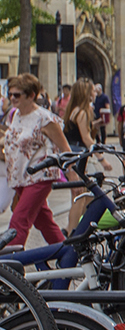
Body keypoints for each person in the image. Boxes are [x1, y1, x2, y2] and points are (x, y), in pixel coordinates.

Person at [4, 74, 72, 248]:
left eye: (17, 95)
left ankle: (11, 267)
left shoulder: (45, 119)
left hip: (39, 176)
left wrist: (73, 177)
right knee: (44, 222)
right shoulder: (16, 115)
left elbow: (66, 151)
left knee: (19, 221)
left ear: (31, 95)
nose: (12, 98)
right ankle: (67, 255)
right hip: (20, 177)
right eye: (10, 93)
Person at [61, 79, 113, 232]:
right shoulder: (83, 112)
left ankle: (81, 229)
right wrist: (102, 159)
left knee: (84, 196)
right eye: (92, 90)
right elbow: (86, 138)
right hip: (79, 156)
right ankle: (72, 231)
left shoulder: (74, 110)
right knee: (79, 197)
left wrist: (94, 125)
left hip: (72, 154)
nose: (95, 93)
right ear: (86, 93)